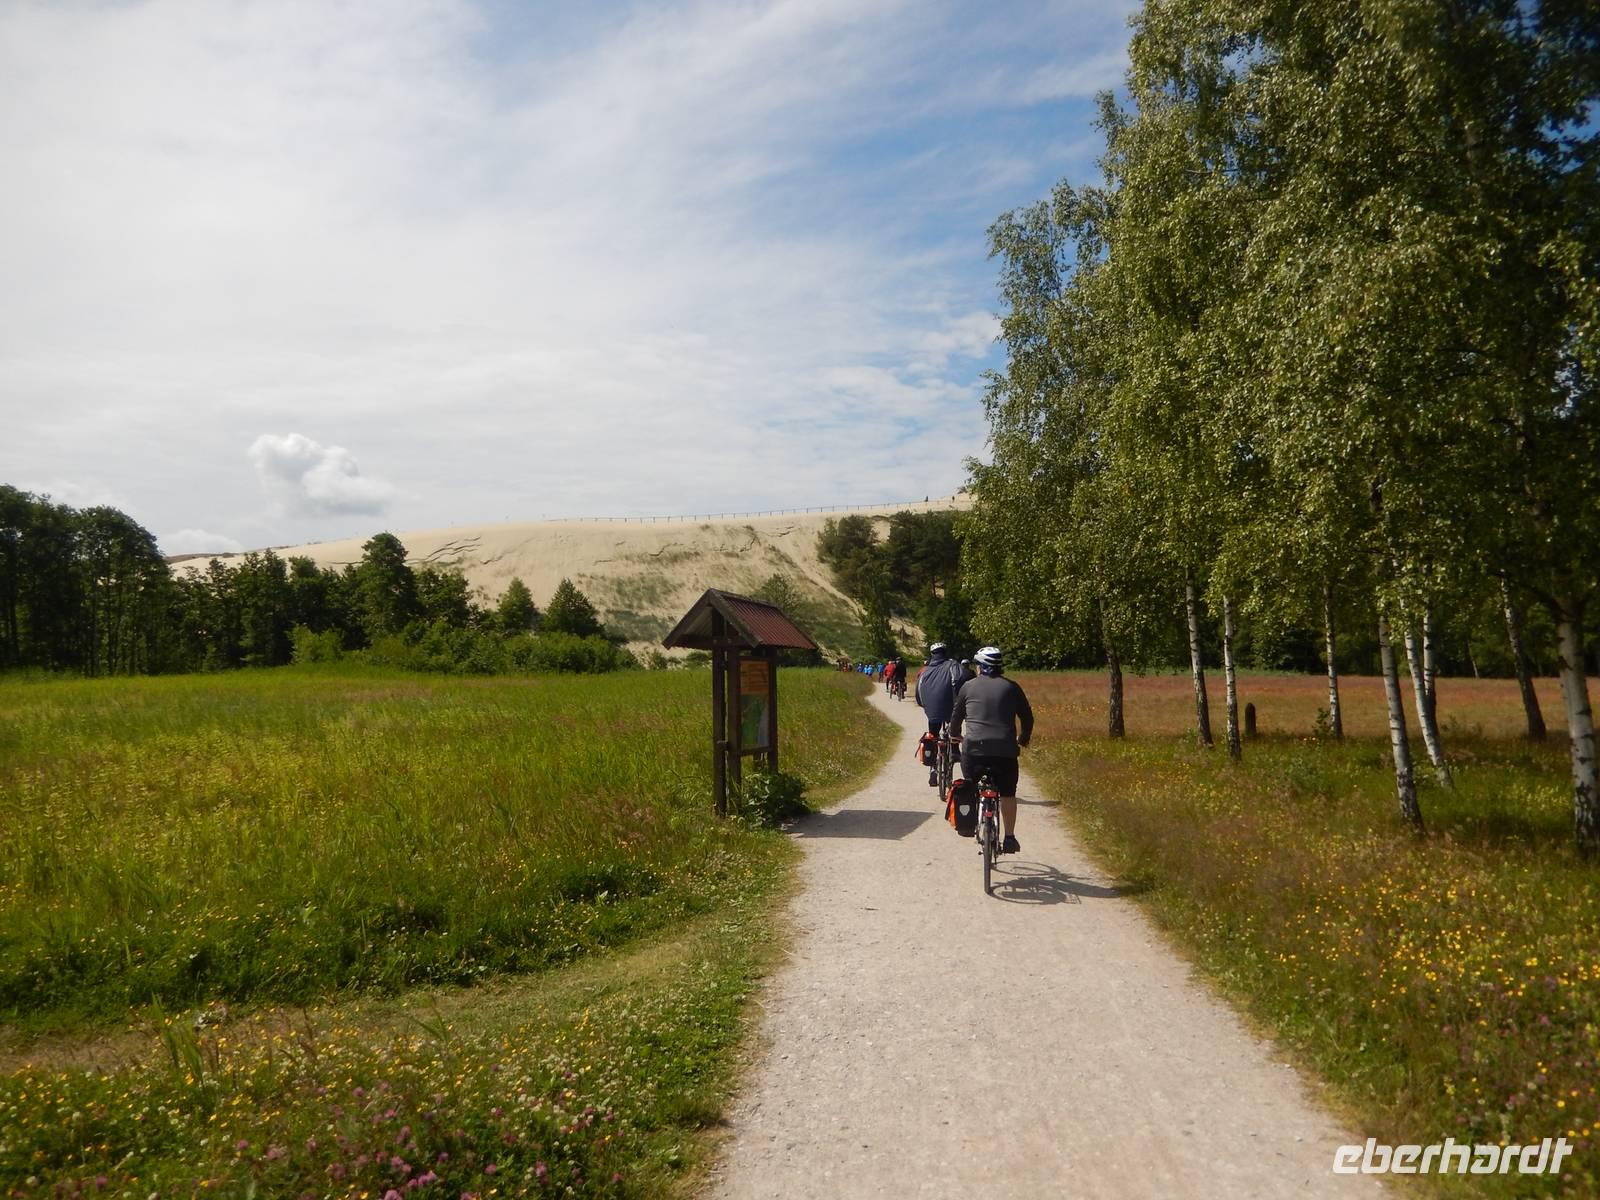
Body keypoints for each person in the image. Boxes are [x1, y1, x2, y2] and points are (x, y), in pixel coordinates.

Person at [950, 645, 1033, 855]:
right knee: (1008, 794)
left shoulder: (967, 687)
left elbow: (956, 717)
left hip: (974, 751)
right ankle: (1010, 837)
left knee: (970, 787)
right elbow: (1027, 718)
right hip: (1005, 752)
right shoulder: (1012, 687)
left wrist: (955, 735)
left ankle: (972, 821)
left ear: (980, 667)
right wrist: (1022, 739)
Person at [914, 642, 966, 786]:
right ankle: (955, 750)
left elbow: (918, 690)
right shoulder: (952, 664)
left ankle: (933, 769)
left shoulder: (925, 670)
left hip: (932, 711)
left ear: (932, 654)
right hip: (950, 708)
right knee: (954, 724)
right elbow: (960, 679)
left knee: (933, 735)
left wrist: (924, 706)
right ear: (945, 652)